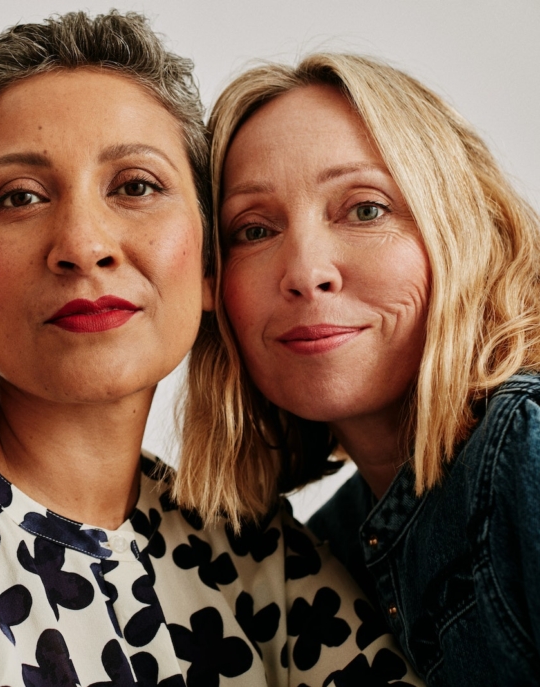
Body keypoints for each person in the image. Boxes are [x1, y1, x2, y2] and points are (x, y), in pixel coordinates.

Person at [0, 14, 420, 687]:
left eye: (135, 186)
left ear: (211, 262)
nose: (83, 244)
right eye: (20, 196)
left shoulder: (258, 552)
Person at [183, 52, 540, 685]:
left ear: (463, 227)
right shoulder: (325, 553)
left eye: (365, 209)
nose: (306, 272)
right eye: (255, 230)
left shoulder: (526, 445)